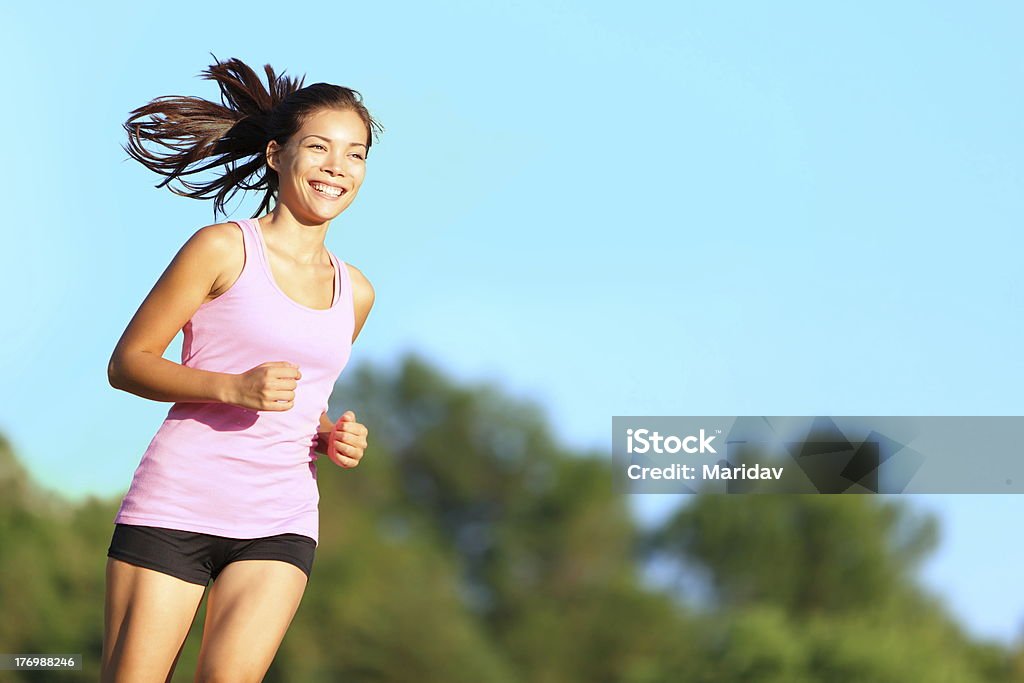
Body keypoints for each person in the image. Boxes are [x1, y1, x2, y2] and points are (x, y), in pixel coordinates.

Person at [101, 56, 382, 682]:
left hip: (280, 518)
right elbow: (128, 364)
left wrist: (330, 433)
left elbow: (301, 401)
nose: (338, 167)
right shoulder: (223, 248)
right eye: (320, 148)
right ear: (277, 154)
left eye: (356, 154)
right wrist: (231, 387)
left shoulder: (355, 291)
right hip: (178, 504)